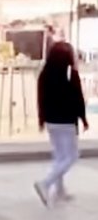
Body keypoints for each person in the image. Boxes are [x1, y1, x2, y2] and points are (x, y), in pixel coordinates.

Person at [34, 41, 88, 207]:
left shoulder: (45, 72)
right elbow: (78, 99)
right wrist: (83, 119)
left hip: (51, 120)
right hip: (66, 121)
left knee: (59, 155)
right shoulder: (71, 73)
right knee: (71, 156)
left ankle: (60, 189)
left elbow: (40, 98)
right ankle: (46, 183)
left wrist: (41, 119)